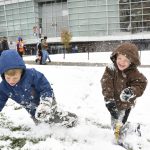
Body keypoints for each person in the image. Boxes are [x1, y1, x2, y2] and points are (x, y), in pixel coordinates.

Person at [0, 50, 77, 127]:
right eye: (8, 78)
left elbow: (45, 87)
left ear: (21, 71)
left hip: (45, 101)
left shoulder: (32, 75)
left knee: (54, 117)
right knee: (41, 124)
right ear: (3, 74)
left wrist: (45, 102)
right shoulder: (4, 87)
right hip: (31, 108)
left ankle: (71, 119)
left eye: (15, 78)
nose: (11, 81)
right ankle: (49, 132)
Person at [100, 42, 147, 144]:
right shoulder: (111, 69)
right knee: (114, 124)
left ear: (131, 62)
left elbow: (142, 83)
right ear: (115, 56)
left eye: (126, 60)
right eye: (120, 58)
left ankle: (131, 130)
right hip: (112, 102)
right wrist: (109, 99)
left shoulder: (133, 72)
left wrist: (131, 91)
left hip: (125, 104)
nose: (121, 62)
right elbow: (106, 83)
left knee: (120, 123)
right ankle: (119, 134)